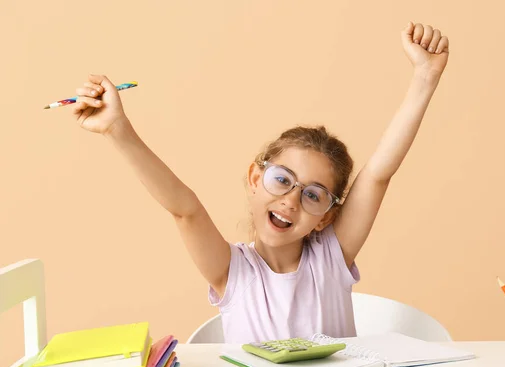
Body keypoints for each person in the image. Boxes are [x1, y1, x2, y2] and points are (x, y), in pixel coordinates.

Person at [70, 22, 449, 343]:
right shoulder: (233, 272)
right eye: (282, 179)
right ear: (255, 178)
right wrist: (118, 130)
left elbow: (378, 174)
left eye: (313, 195)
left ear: (326, 217)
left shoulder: (331, 258)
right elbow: (184, 209)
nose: (291, 200)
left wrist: (425, 77)